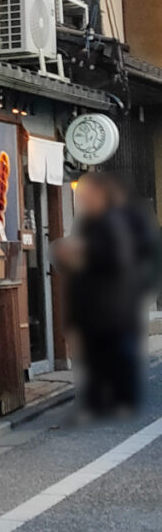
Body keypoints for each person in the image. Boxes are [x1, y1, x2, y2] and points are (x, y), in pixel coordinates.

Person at [54, 172, 161, 417]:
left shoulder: (113, 222)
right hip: (95, 302)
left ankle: (121, 400)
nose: (83, 200)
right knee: (96, 354)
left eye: (87, 196)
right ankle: (99, 401)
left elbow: (118, 260)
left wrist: (83, 255)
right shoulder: (91, 223)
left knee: (115, 351)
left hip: (113, 303)